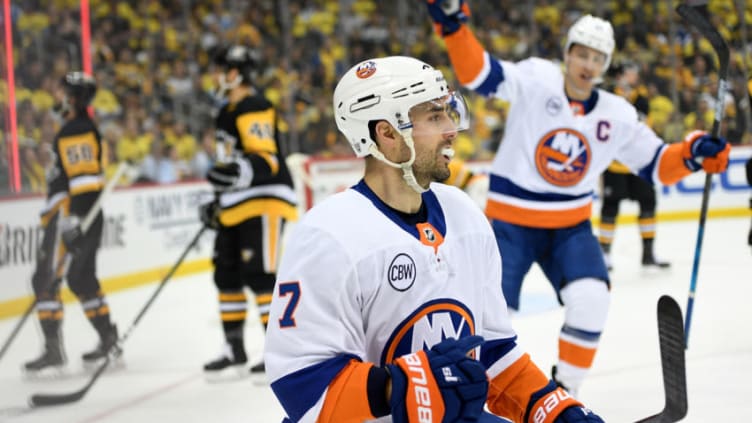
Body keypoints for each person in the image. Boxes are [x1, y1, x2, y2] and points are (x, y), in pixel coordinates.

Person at [265, 56, 604, 423]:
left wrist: (552, 408)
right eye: (433, 116)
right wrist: (397, 387)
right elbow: (301, 386)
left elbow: (492, 350)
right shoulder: (328, 236)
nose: (451, 128)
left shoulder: (465, 214)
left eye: (448, 111)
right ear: (387, 134)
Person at [424, 0, 730, 396]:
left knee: (591, 299)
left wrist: (693, 154)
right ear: (567, 54)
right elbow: (480, 73)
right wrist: (455, 30)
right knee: (490, 315)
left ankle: (565, 391)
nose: (588, 63)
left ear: (606, 65)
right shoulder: (537, 78)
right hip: (508, 225)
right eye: (581, 53)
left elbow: (657, 163)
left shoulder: (617, 113)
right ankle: (475, 393)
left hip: (570, 226)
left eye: (598, 57)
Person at [199, 45, 298, 380]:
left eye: (219, 69)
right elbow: (231, 168)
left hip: (265, 200)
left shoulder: (254, 105)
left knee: (259, 275)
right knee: (226, 275)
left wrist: (235, 175)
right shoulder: (225, 110)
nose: (213, 76)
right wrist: (218, 199)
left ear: (234, 73)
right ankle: (234, 348)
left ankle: (279, 352)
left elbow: (266, 157)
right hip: (236, 205)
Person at [24, 71, 121, 375]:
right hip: (76, 213)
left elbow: (85, 181)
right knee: (80, 278)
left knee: (45, 279)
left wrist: (75, 220)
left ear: (74, 98)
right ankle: (108, 337)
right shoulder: (74, 128)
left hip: (69, 213)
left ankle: (55, 350)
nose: (57, 95)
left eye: (62, 91)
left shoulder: (76, 130)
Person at [599, 62, 669, 270]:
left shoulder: (641, 98)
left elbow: (638, 122)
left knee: (648, 203)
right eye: (630, 72)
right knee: (610, 207)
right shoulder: (608, 96)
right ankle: (604, 253)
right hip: (614, 163)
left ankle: (648, 253)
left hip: (639, 162)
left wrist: (627, 98)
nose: (634, 76)